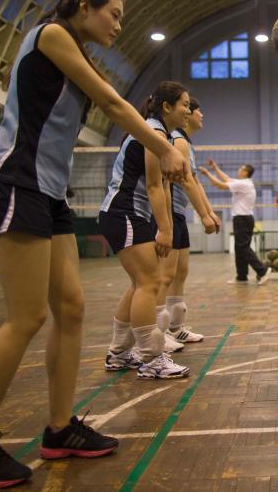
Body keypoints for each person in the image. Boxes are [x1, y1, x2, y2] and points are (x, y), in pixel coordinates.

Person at [0, 0, 187, 489]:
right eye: (113, 13)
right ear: (83, 5)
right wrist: (164, 147)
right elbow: (113, 104)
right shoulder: (52, 35)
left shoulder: (77, 53)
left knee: (72, 308)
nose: (118, 25)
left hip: (51, 194)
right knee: (27, 317)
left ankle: (60, 429)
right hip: (18, 183)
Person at [102, 81, 194, 380]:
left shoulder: (158, 133)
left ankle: (118, 353)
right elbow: (154, 186)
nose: (188, 110)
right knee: (149, 282)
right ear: (167, 106)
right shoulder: (153, 133)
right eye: (184, 104)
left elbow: (163, 187)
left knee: (138, 284)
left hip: (128, 213)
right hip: (125, 211)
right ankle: (151, 358)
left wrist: (164, 225)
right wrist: (165, 230)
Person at [155, 97, 220, 352]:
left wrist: (210, 211)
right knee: (165, 275)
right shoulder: (177, 140)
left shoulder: (187, 143)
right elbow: (187, 181)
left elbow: (195, 180)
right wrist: (204, 215)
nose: (201, 115)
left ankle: (175, 328)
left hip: (179, 211)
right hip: (169, 210)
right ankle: (157, 333)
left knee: (180, 272)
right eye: (196, 110)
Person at [199, 159, 271, 285]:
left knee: (243, 247)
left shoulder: (244, 184)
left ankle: (262, 271)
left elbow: (221, 185)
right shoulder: (243, 183)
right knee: (239, 248)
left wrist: (207, 174)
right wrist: (215, 167)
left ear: (246, 172)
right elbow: (226, 179)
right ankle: (241, 276)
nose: (239, 170)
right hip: (242, 219)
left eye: (241, 168)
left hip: (243, 219)